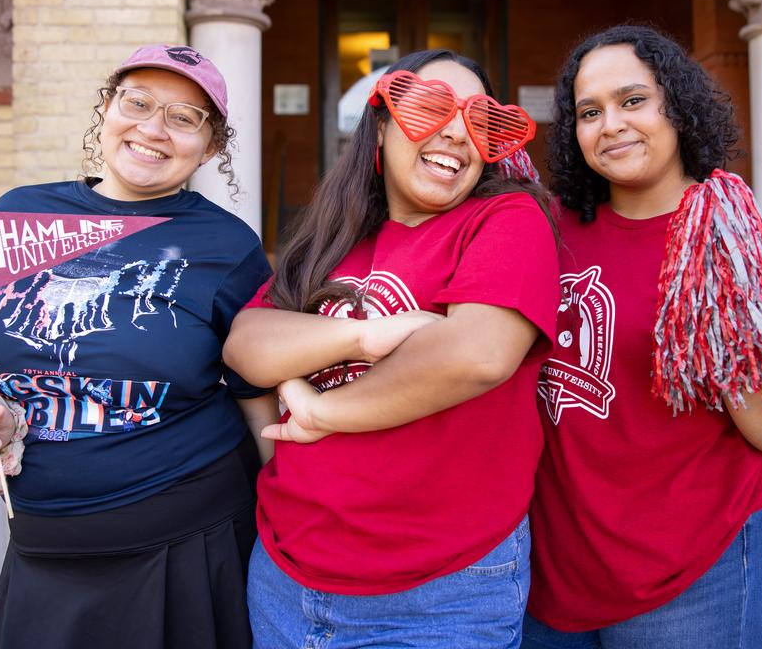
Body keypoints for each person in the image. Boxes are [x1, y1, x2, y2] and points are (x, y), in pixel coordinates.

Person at [0, 44, 275, 649]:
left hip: (185, 546)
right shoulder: (20, 214)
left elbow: (258, 401)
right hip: (42, 550)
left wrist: (292, 530)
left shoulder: (226, 246)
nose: (153, 129)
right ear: (107, 110)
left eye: (184, 117)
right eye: (137, 102)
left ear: (212, 146)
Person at [222, 49, 560, 648]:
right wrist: (364, 335)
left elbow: (477, 356)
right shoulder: (337, 236)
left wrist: (321, 409)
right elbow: (248, 345)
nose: (456, 131)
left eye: (482, 120)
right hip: (286, 575)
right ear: (379, 126)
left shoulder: (507, 218)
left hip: (440, 592)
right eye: (431, 106)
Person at [522, 25, 762, 649]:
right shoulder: (545, 234)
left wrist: (724, 333)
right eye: (590, 112)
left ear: (678, 108)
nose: (610, 124)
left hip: (700, 570)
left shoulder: (753, 251)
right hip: (555, 568)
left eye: (632, 100)